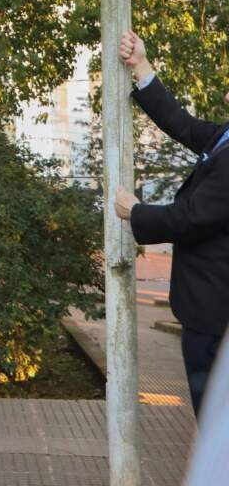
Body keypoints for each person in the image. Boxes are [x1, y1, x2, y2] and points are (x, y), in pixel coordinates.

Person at [115, 29, 229, 418]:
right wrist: (141, 67)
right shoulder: (225, 136)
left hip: (214, 316)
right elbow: (182, 124)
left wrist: (136, 212)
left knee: (216, 425)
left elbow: (193, 217)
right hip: (206, 312)